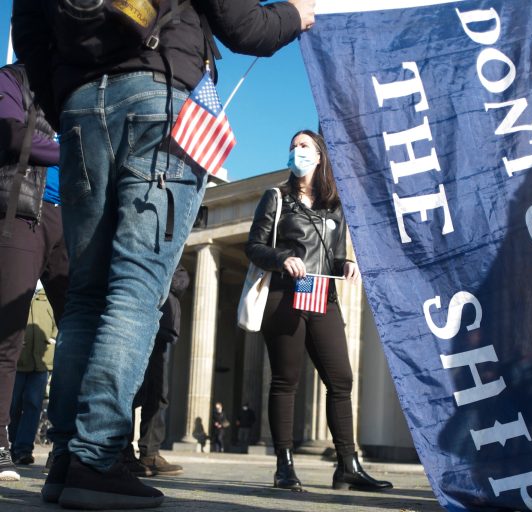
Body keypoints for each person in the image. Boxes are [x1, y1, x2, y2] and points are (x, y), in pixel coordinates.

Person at [12, 0, 316, 508]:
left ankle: (65, 460)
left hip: (82, 110)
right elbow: (243, 26)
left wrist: (66, 95)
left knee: (85, 294)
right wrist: (295, 14)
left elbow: (27, 28)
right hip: (159, 96)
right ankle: (97, 456)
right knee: (135, 288)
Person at [245, 129, 392, 492]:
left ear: (320, 154)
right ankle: (284, 465)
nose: (297, 151)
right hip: (284, 295)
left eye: (304, 145)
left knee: (341, 379)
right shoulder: (276, 197)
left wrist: (347, 265)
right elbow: (254, 247)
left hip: (322, 295)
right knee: (285, 380)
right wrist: (283, 258)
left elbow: (336, 255)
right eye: (293, 146)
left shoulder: (333, 205)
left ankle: (348, 466)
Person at [0, 63, 64, 483]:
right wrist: (72, 147)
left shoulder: (80, 83)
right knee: (7, 333)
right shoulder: (13, 79)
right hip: (24, 212)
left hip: (74, 217)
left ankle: (75, 446)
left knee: (85, 327)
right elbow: (11, 134)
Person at [124, 265, 189, 477]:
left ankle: (149, 453)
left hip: (162, 327)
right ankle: (122, 452)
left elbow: (180, 279)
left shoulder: (173, 246)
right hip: (135, 320)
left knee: (158, 394)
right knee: (131, 392)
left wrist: (159, 278)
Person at [9, 288, 57, 466]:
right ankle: (13, 446)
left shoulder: (47, 299)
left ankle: (23, 449)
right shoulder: (17, 296)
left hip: (41, 363)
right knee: (13, 406)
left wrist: (53, 338)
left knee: (33, 405)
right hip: (17, 363)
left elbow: (58, 324)